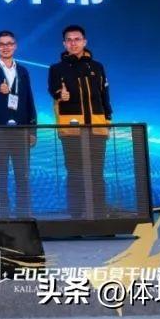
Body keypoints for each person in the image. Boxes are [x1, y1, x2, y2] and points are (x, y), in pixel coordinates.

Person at [49, 24, 112, 218]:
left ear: (84, 42)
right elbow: (53, 90)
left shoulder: (97, 67)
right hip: (71, 129)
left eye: (77, 39)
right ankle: (76, 215)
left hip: (97, 127)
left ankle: (98, 213)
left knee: (97, 173)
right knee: (75, 173)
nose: (73, 43)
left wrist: (108, 119)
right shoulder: (56, 68)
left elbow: (105, 95)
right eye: (69, 40)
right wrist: (60, 94)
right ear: (64, 44)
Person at [0, 30, 36, 216]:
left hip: (21, 130)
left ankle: (24, 215)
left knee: (23, 176)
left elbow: (29, 101)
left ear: (15, 46)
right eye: (1, 44)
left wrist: (32, 130)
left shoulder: (23, 71)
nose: (6, 47)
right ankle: (2, 215)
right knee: (0, 176)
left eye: (9, 43)